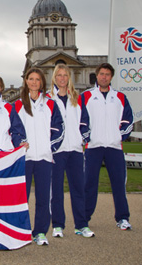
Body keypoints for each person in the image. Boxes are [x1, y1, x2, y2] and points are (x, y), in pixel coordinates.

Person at [80, 62, 133, 230]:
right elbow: (81, 120)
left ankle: (122, 218)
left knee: (118, 184)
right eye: (101, 74)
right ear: (97, 75)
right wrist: (88, 137)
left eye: (107, 75)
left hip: (114, 147)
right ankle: (84, 219)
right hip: (93, 147)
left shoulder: (120, 97)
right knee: (89, 184)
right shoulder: (86, 96)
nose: (104, 77)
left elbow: (128, 120)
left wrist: (119, 137)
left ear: (111, 77)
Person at [14, 67, 63, 246]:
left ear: (41, 82)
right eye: (31, 79)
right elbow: (13, 129)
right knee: (21, 198)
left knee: (43, 198)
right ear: (26, 81)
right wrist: (19, 143)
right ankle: (21, 232)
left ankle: (40, 232)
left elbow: (59, 128)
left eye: (37, 79)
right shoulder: (18, 105)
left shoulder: (50, 103)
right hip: (24, 158)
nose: (34, 82)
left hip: (44, 157)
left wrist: (49, 146)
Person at [48, 64, 94, 238]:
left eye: (65, 75)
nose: (62, 78)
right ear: (54, 78)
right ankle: (58, 225)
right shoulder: (48, 99)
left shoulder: (77, 98)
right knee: (57, 190)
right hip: (57, 151)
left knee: (78, 189)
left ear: (69, 78)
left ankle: (81, 225)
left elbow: (85, 122)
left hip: (75, 149)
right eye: (59, 75)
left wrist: (83, 138)